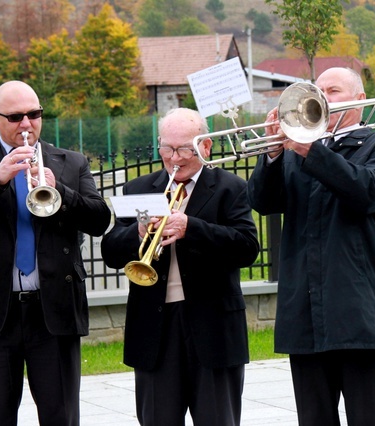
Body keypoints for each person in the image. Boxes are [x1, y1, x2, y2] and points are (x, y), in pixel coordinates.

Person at [0, 80, 111, 425]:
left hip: (53, 311)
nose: (27, 124)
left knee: (61, 415)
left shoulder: (70, 163)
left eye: (34, 114)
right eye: (16, 117)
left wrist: (58, 189)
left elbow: (99, 219)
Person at [247, 67, 375, 426]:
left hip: (359, 315)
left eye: (332, 90)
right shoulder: (293, 152)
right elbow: (262, 202)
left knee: (368, 418)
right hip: (303, 314)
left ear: (360, 101)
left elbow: (367, 192)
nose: (321, 97)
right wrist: (271, 154)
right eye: (317, 89)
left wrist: (311, 151)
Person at [100, 108, 259, 426]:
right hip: (155, 329)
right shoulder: (139, 189)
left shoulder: (229, 187)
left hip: (213, 328)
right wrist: (138, 232)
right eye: (167, 148)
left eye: (184, 148)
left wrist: (192, 227)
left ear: (205, 146)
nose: (175, 158)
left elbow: (247, 248)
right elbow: (110, 252)